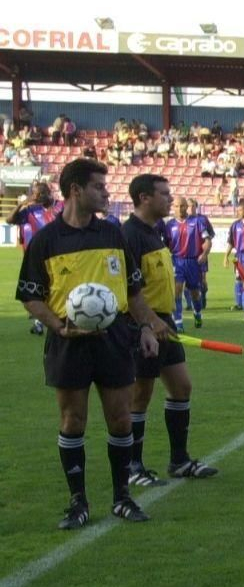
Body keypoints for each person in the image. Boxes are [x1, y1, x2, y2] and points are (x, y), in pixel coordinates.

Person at [15, 158, 165, 528]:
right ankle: (78, 502)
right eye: (99, 186)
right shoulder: (46, 241)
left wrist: (147, 326)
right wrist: (59, 325)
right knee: (72, 420)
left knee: (120, 418)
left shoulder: (113, 234)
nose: (106, 192)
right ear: (76, 190)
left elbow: (133, 292)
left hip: (115, 339)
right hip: (68, 344)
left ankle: (122, 498)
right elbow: (30, 297)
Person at [121, 174, 219, 487]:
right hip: (143, 325)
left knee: (181, 387)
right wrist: (148, 322)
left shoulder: (156, 230)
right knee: (140, 395)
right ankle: (133, 465)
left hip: (164, 322)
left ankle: (179, 460)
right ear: (144, 197)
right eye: (164, 193)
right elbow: (127, 289)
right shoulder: (129, 235)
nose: (170, 198)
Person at [8, 181, 55, 334]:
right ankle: (39, 323)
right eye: (34, 194)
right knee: (38, 290)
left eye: (39, 193)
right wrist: (22, 203)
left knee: (53, 289)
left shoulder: (61, 206)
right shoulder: (30, 210)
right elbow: (10, 220)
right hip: (35, 256)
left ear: (48, 193)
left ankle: (47, 320)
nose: (36, 197)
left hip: (57, 255)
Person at [168, 198, 209, 331]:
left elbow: (207, 240)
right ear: (173, 207)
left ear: (187, 207)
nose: (179, 209)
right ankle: (178, 323)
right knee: (177, 290)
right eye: (176, 206)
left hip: (193, 262)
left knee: (195, 293)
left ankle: (197, 314)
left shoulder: (197, 222)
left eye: (182, 206)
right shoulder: (169, 225)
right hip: (176, 261)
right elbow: (165, 245)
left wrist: (204, 253)